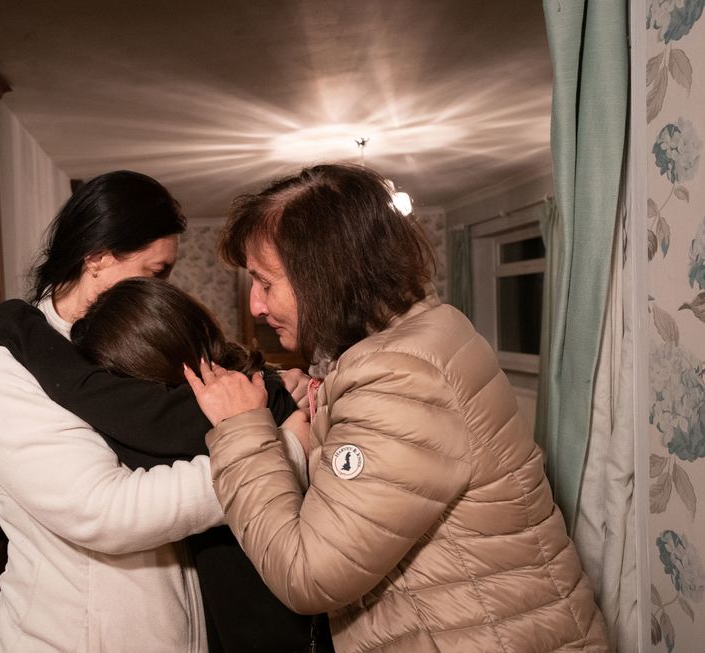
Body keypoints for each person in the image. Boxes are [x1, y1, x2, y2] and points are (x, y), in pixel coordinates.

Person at [183, 164, 610, 652]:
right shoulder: (424, 332)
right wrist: (327, 407)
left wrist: (243, 430)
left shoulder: (399, 379)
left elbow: (308, 575)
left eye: (265, 283)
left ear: (323, 277)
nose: (256, 305)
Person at [0, 169, 326, 652]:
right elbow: (106, 512)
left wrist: (268, 388)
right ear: (96, 257)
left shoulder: (129, 340)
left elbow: (191, 414)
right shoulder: (6, 375)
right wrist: (279, 450)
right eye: (156, 271)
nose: (164, 288)